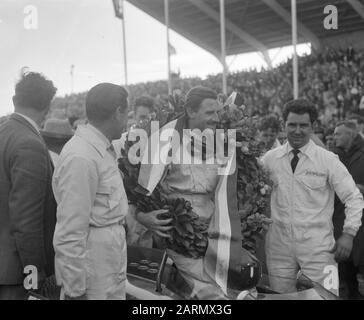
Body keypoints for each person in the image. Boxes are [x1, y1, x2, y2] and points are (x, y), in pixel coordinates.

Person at [261, 98, 364, 295]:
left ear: (313, 126)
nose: (297, 130)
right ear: (284, 125)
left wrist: (349, 234)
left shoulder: (328, 160)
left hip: (320, 249)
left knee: (326, 297)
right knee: (281, 299)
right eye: (292, 125)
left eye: (303, 125)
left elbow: (354, 197)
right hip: (278, 247)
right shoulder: (269, 159)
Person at [52, 83, 129, 300]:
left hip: (106, 260)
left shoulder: (99, 149)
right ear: (118, 112)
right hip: (93, 267)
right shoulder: (82, 157)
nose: (127, 121)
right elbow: (70, 231)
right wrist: (75, 291)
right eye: (126, 113)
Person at [0, 72, 57, 299]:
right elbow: (27, 223)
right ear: (47, 107)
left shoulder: (5, 131)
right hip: (15, 274)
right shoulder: (29, 143)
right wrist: (34, 278)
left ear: (15, 101)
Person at [333, 120, 364, 299]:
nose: (334, 136)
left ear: (351, 135)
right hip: (340, 222)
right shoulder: (332, 156)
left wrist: (360, 190)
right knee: (344, 276)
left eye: (339, 133)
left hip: (360, 223)